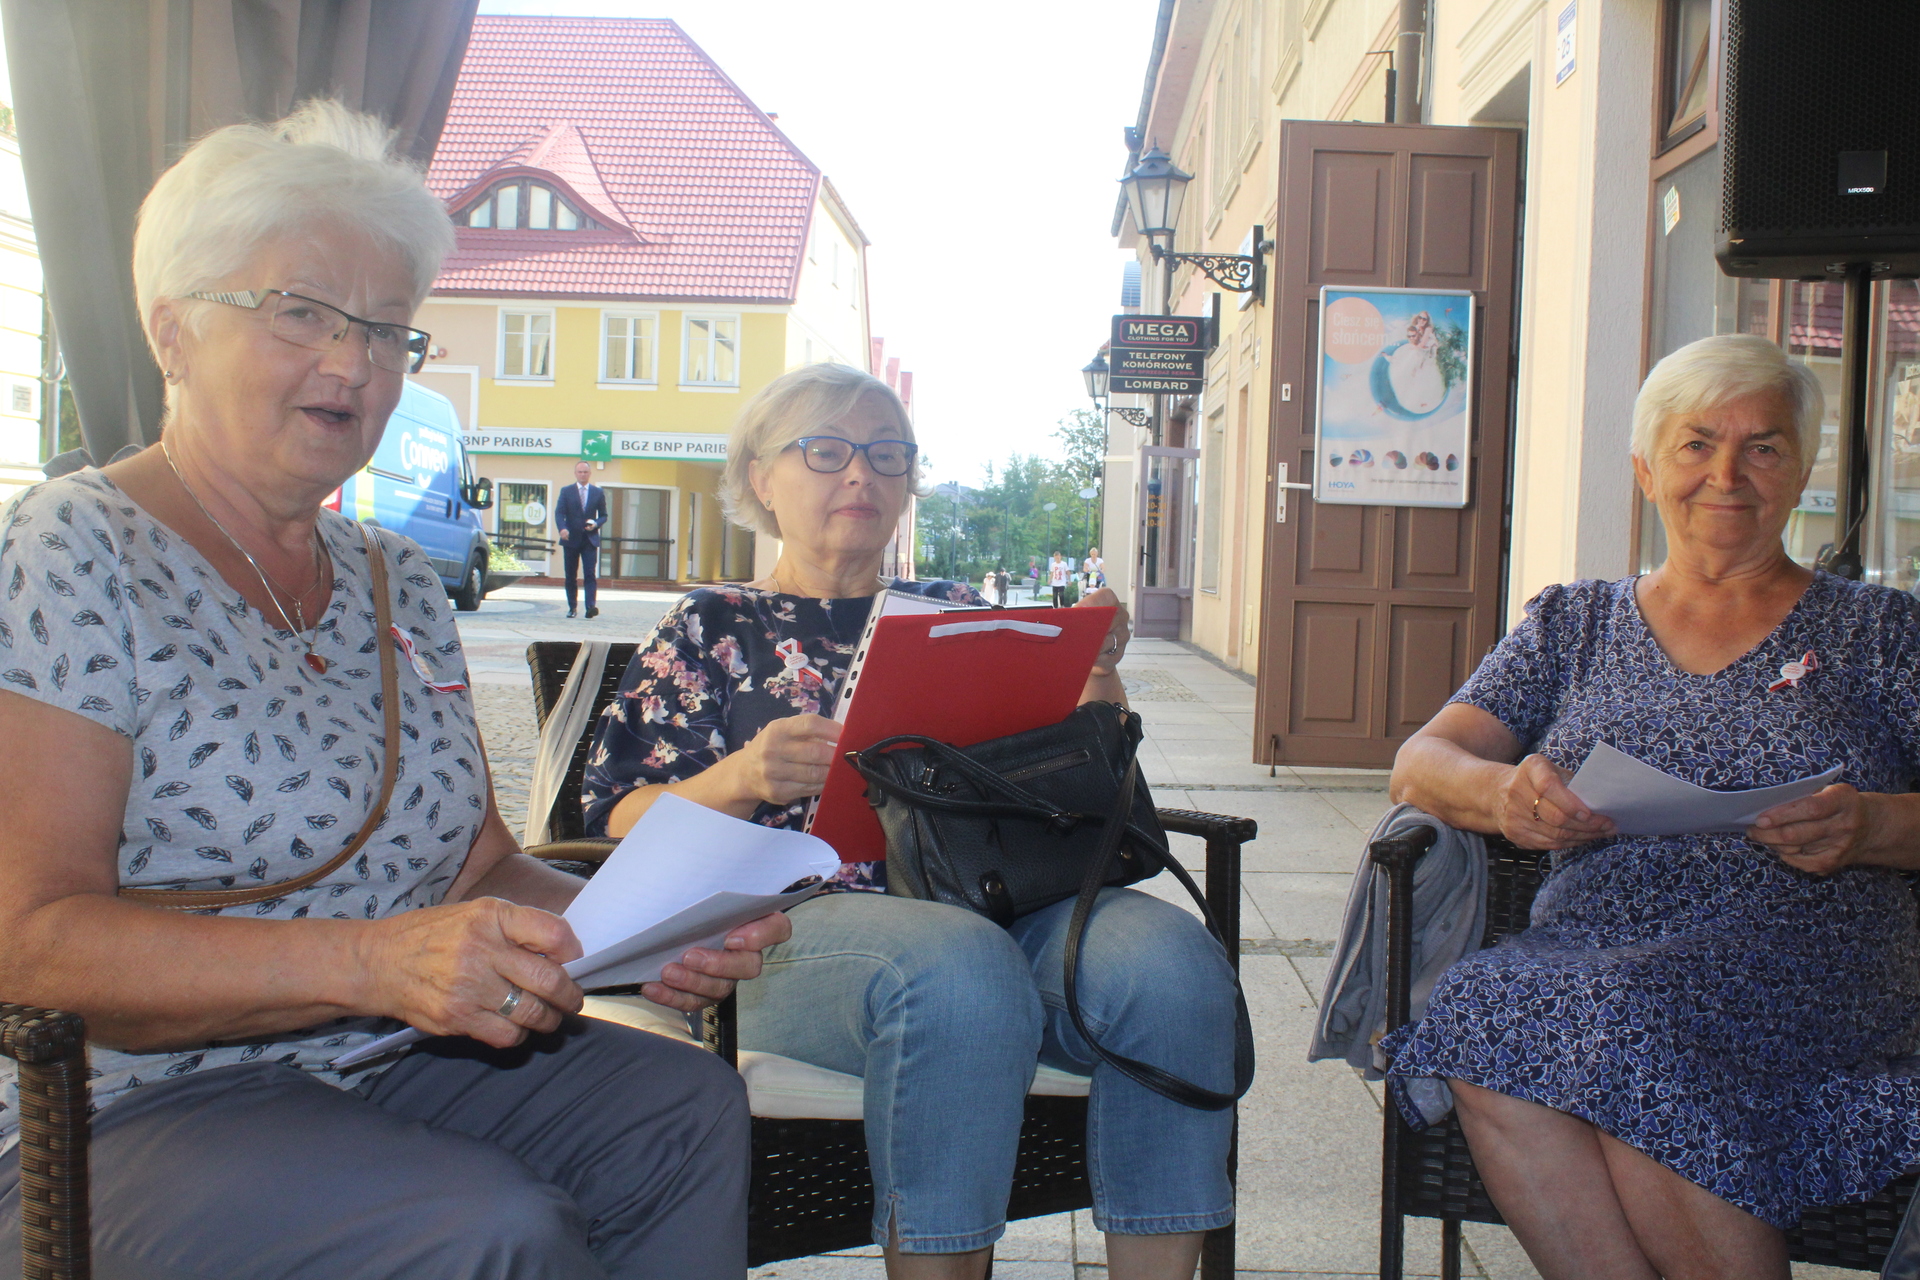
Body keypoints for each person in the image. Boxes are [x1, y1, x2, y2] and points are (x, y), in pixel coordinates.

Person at [0, 102, 789, 1280]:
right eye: (303, 313)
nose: (354, 364)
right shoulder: (76, 549)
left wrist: (637, 932)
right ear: (172, 332)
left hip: (390, 1052)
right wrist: (372, 964)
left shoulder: (396, 579)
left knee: (684, 1108)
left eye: (386, 330)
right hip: (133, 1101)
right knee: (488, 1226)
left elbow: (474, 870)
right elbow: (31, 941)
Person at [581, 362, 1238, 1280]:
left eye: (887, 454)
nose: (862, 474)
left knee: (1171, 964)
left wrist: (1094, 677)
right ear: (761, 479)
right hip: (786, 934)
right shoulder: (713, 623)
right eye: (828, 451)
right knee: (956, 971)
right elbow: (616, 818)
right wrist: (743, 775)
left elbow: (1082, 800)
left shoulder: (963, 616)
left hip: (1003, 897)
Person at [1384, 333, 1920, 1280]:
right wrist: (1506, 794)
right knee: (1491, 1002)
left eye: (1764, 446)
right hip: (1595, 948)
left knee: (1624, 1021)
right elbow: (1423, 762)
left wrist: (1875, 826)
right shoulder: (1575, 622)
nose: (1728, 473)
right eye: (1696, 443)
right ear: (1644, 468)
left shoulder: (1884, 632)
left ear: (1801, 469)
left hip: (1805, 965)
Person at [555, 459, 609, 618]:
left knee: (590, 574)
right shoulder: (566, 491)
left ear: (590, 474)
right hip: (571, 539)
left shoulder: (597, 492)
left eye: (585, 472)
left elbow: (604, 515)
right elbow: (559, 513)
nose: (582, 474)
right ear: (575, 473)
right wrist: (562, 528)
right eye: (580, 472)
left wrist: (596, 524)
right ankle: (572, 607)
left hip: (589, 539)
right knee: (571, 575)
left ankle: (590, 607)